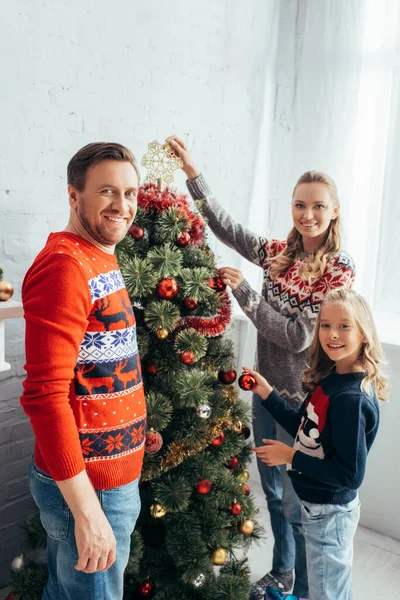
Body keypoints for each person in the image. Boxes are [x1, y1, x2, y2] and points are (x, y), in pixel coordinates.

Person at [166, 135, 355, 599]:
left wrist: (244, 293)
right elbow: (227, 228)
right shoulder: (278, 255)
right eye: (298, 205)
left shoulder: (338, 269)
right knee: (272, 494)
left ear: (333, 212)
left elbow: (298, 337)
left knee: (299, 502)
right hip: (264, 392)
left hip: (302, 403)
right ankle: (283, 573)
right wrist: (193, 172)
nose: (306, 215)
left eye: (316, 206)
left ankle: (306, 590)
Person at [20, 142, 146, 600]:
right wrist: (88, 512)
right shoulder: (65, 267)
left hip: (110, 478)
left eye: (130, 192)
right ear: (74, 196)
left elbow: (100, 367)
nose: (123, 205)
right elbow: (45, 398)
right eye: (107, 191)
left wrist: (134, 433)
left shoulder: (98, 252)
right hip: (90, 489)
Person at [247, 288, 387, 600]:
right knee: (328, 587)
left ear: (365, 334)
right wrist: (268, 394)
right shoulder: (331, 379)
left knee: (328, 593)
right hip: (317, 509)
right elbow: (305, 428)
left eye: (344, 326)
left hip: (329, 514)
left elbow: (349, 475)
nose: (332, 334)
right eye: (325, 325)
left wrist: (290, 457)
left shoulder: (351, 400)